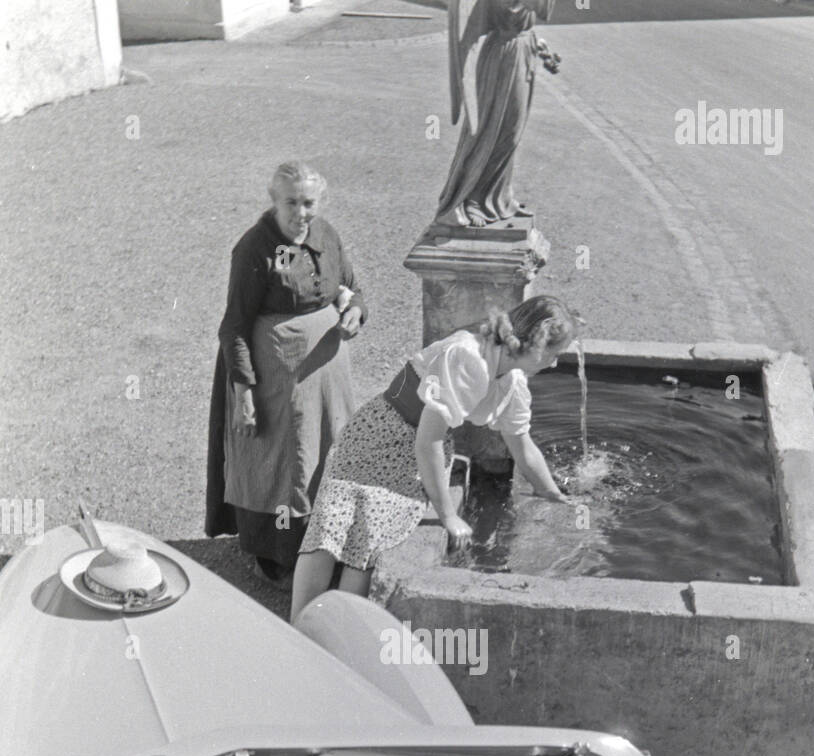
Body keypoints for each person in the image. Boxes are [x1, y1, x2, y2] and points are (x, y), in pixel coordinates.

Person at [289, 295, 573, 621]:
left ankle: (338, 632)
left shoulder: (512, 382)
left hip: (414, 457)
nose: (553, 364)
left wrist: (552, 493)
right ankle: (299, 625)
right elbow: (429, 442)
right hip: (378, 433)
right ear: (535, 346)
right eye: (553, 354)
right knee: (329, 525)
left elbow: (523, 447)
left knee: (369, 537)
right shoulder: (469, 357)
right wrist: (448, 515)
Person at [205, 162, 366, 587]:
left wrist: (355, 310)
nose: (301, 212)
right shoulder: (255, 248)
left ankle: (326, 548)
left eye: (309, 202)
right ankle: (279, 559)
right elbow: (234, 326)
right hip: (277, 378)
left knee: (324, 455)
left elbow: (352, 285)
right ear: (274, 201)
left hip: (326, 376)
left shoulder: (326, 236)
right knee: (281, 466)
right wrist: (243, 393)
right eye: (291, 202)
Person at [437, 0, 559, 228]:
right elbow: (517, 10)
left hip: (523, 50)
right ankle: (466, 200)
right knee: (488, 130)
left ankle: (498, 198)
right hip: (504, 58)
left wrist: (537, 44)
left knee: (511, 133)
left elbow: (533, 14)